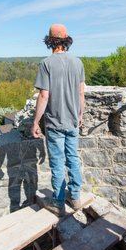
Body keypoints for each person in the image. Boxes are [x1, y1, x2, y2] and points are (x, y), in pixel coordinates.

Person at [31, 24, 85, 216]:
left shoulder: (46, 63)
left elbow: (44, 96)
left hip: (54, 123)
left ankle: (59, 203)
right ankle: (76, 198)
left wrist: (36, 122)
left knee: (57, 162)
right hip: (72, 121)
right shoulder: (78, 62)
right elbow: (80, 93)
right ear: (66, 40)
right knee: (73, 159)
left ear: (50, 41)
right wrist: (80, 115)